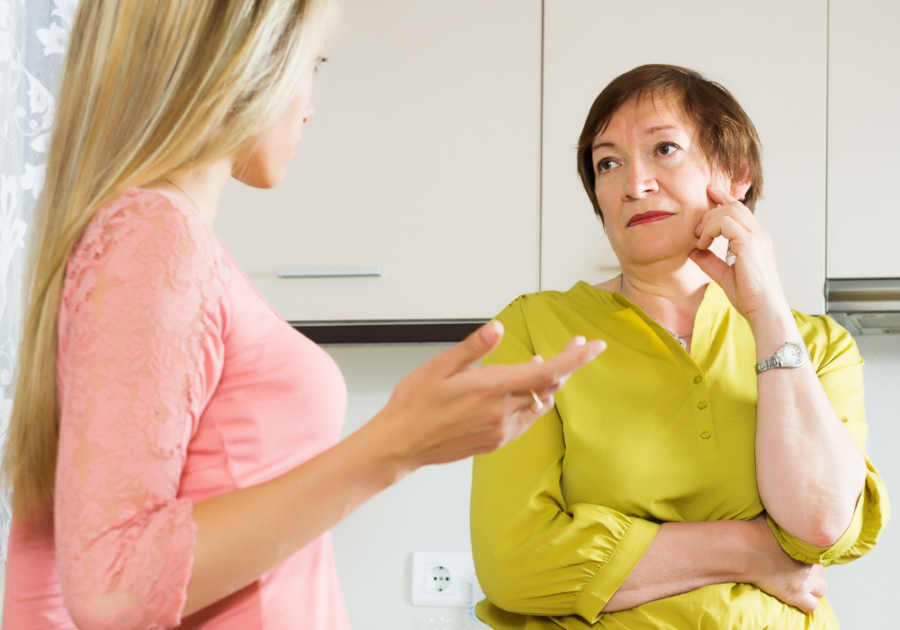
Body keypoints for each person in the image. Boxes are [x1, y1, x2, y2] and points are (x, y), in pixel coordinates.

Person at [0, 2, 606, 628]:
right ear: (238, 57)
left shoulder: (159, 240)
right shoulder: (153, 237)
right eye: (310, 64)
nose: (310, 103)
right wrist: (396, 445)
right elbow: (112, 586)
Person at [470, 64, 889, 629]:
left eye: (664, 149)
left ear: (735, 175)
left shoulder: (817, 345)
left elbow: (819, 525)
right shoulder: (531, 331)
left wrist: (767, 312)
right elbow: (515, 563)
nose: (633, 184)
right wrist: (759, 551)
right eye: (608, 163)